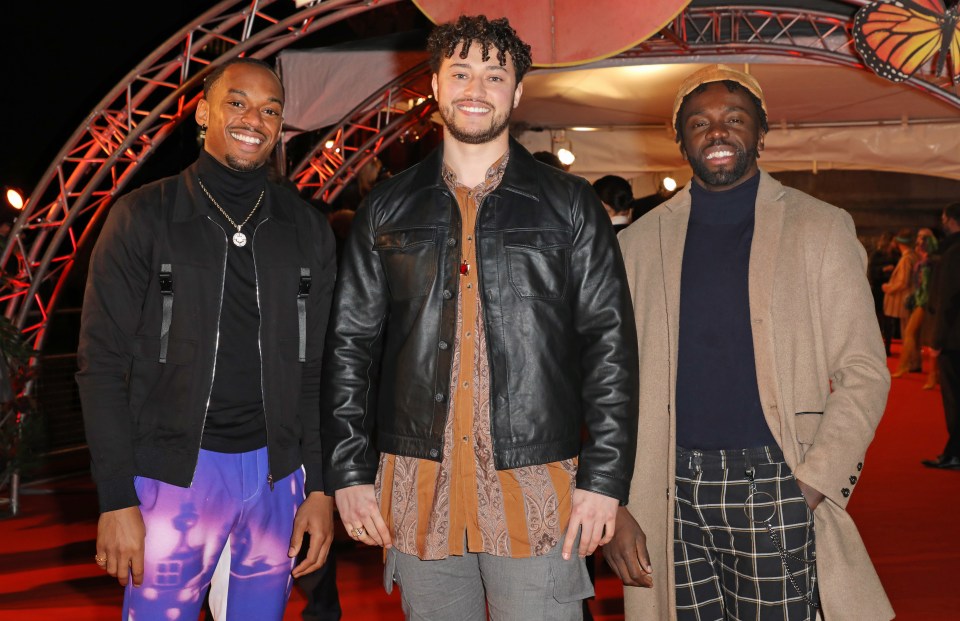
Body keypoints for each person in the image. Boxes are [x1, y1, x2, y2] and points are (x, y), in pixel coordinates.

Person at [319, 14, 639, 621]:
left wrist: (606, 478)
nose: (476, 88)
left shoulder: (570, 206)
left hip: (539, 483)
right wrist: (348, 470)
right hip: (416, 483)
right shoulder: (385, 208)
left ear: (517, 93)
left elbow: (610, 346)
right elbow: (350, 347)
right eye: (460, 72)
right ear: (435, 87)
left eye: (495, 76)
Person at [612, 64, 893, 620]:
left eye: (734, 119)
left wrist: (812, 483)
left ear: (762, 132)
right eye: (699, 122)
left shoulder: (820, 227)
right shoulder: (637, 244)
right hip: (664, 486)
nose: (717, 132)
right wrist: (615, 502)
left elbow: (864, 371)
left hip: (775, 478)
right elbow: (611, 386)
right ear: (680, 139)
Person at [76, 57, 337, 620]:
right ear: (203, 112)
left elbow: (315, 369)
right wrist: (116, 497)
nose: (254, 119)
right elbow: (101, 366)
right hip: (173, 479)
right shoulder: (143, 216)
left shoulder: (307, 228)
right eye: (237, 102)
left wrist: (319, 487)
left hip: (275, 478)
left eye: (271, 110)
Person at [922, 202, 960, 470]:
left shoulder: (953, 253)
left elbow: (947, 299)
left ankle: (954, 453)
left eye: (944, 218)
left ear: (951, 220)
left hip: (954, 339)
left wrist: (936, 340)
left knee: (955, 399)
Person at [894, 228, 938, 379]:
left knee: (911, 333)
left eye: (923, 237)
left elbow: (926, 286)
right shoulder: (922, 258)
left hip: (926, 302)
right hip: (922, 300)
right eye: (918, 237)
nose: (919, 240)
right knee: (919, 335)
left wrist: (920, 300)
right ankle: (927, 372)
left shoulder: (928, 261)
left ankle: (904, 366)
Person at [882, 228, 918, 364]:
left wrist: (889, 288)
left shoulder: (906, 259)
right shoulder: (914, 256)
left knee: (907, 333)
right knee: (911, 333)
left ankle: (911, 362)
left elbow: (903, 282)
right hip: (912, 298)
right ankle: (914, 362)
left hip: (905, 300)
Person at [867, 230, 899, 356]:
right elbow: (871, 272)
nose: (895, 244)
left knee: (889, 321)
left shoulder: (896, 254)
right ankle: (876, 348)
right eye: (893, 241)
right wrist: (883, 269)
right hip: (878, 290)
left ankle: (888, 348)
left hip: (890, 290)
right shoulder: (876, 255)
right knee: (878, 320)